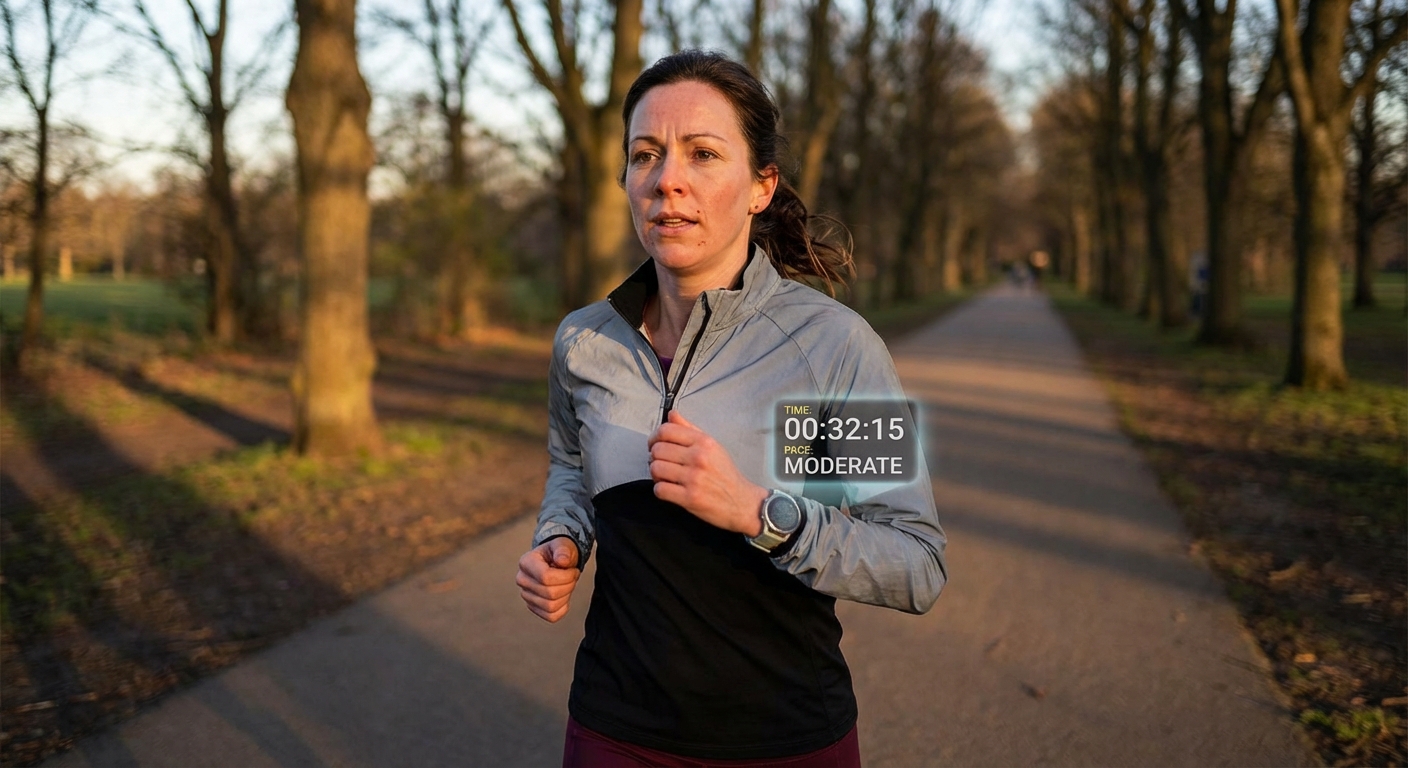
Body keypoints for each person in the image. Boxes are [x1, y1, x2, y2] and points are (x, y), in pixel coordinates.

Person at [516, 50, 947, 767]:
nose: (667, 180)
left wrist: (759, 512)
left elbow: (914, 562)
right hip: (613, 728)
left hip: (783, 737)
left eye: (703, 153)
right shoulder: (586, 341)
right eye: (644, 155)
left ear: (760, 186)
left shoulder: (827, 347)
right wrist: (562, 537)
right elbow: (570, 461)